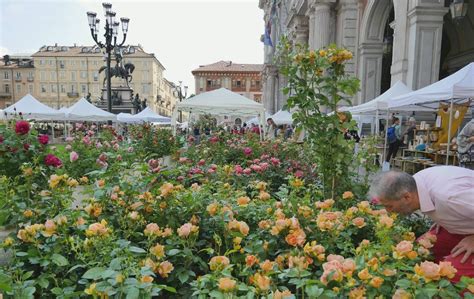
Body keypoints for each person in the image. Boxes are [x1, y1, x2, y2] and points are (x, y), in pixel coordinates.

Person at [370, 167, 474, 282]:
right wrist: (444, 217)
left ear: (407, 197)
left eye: (389, 206)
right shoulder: (416, 184)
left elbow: (454, 199)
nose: (388, 211)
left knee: (451, 274)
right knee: (419, 251)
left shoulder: (449, 197)